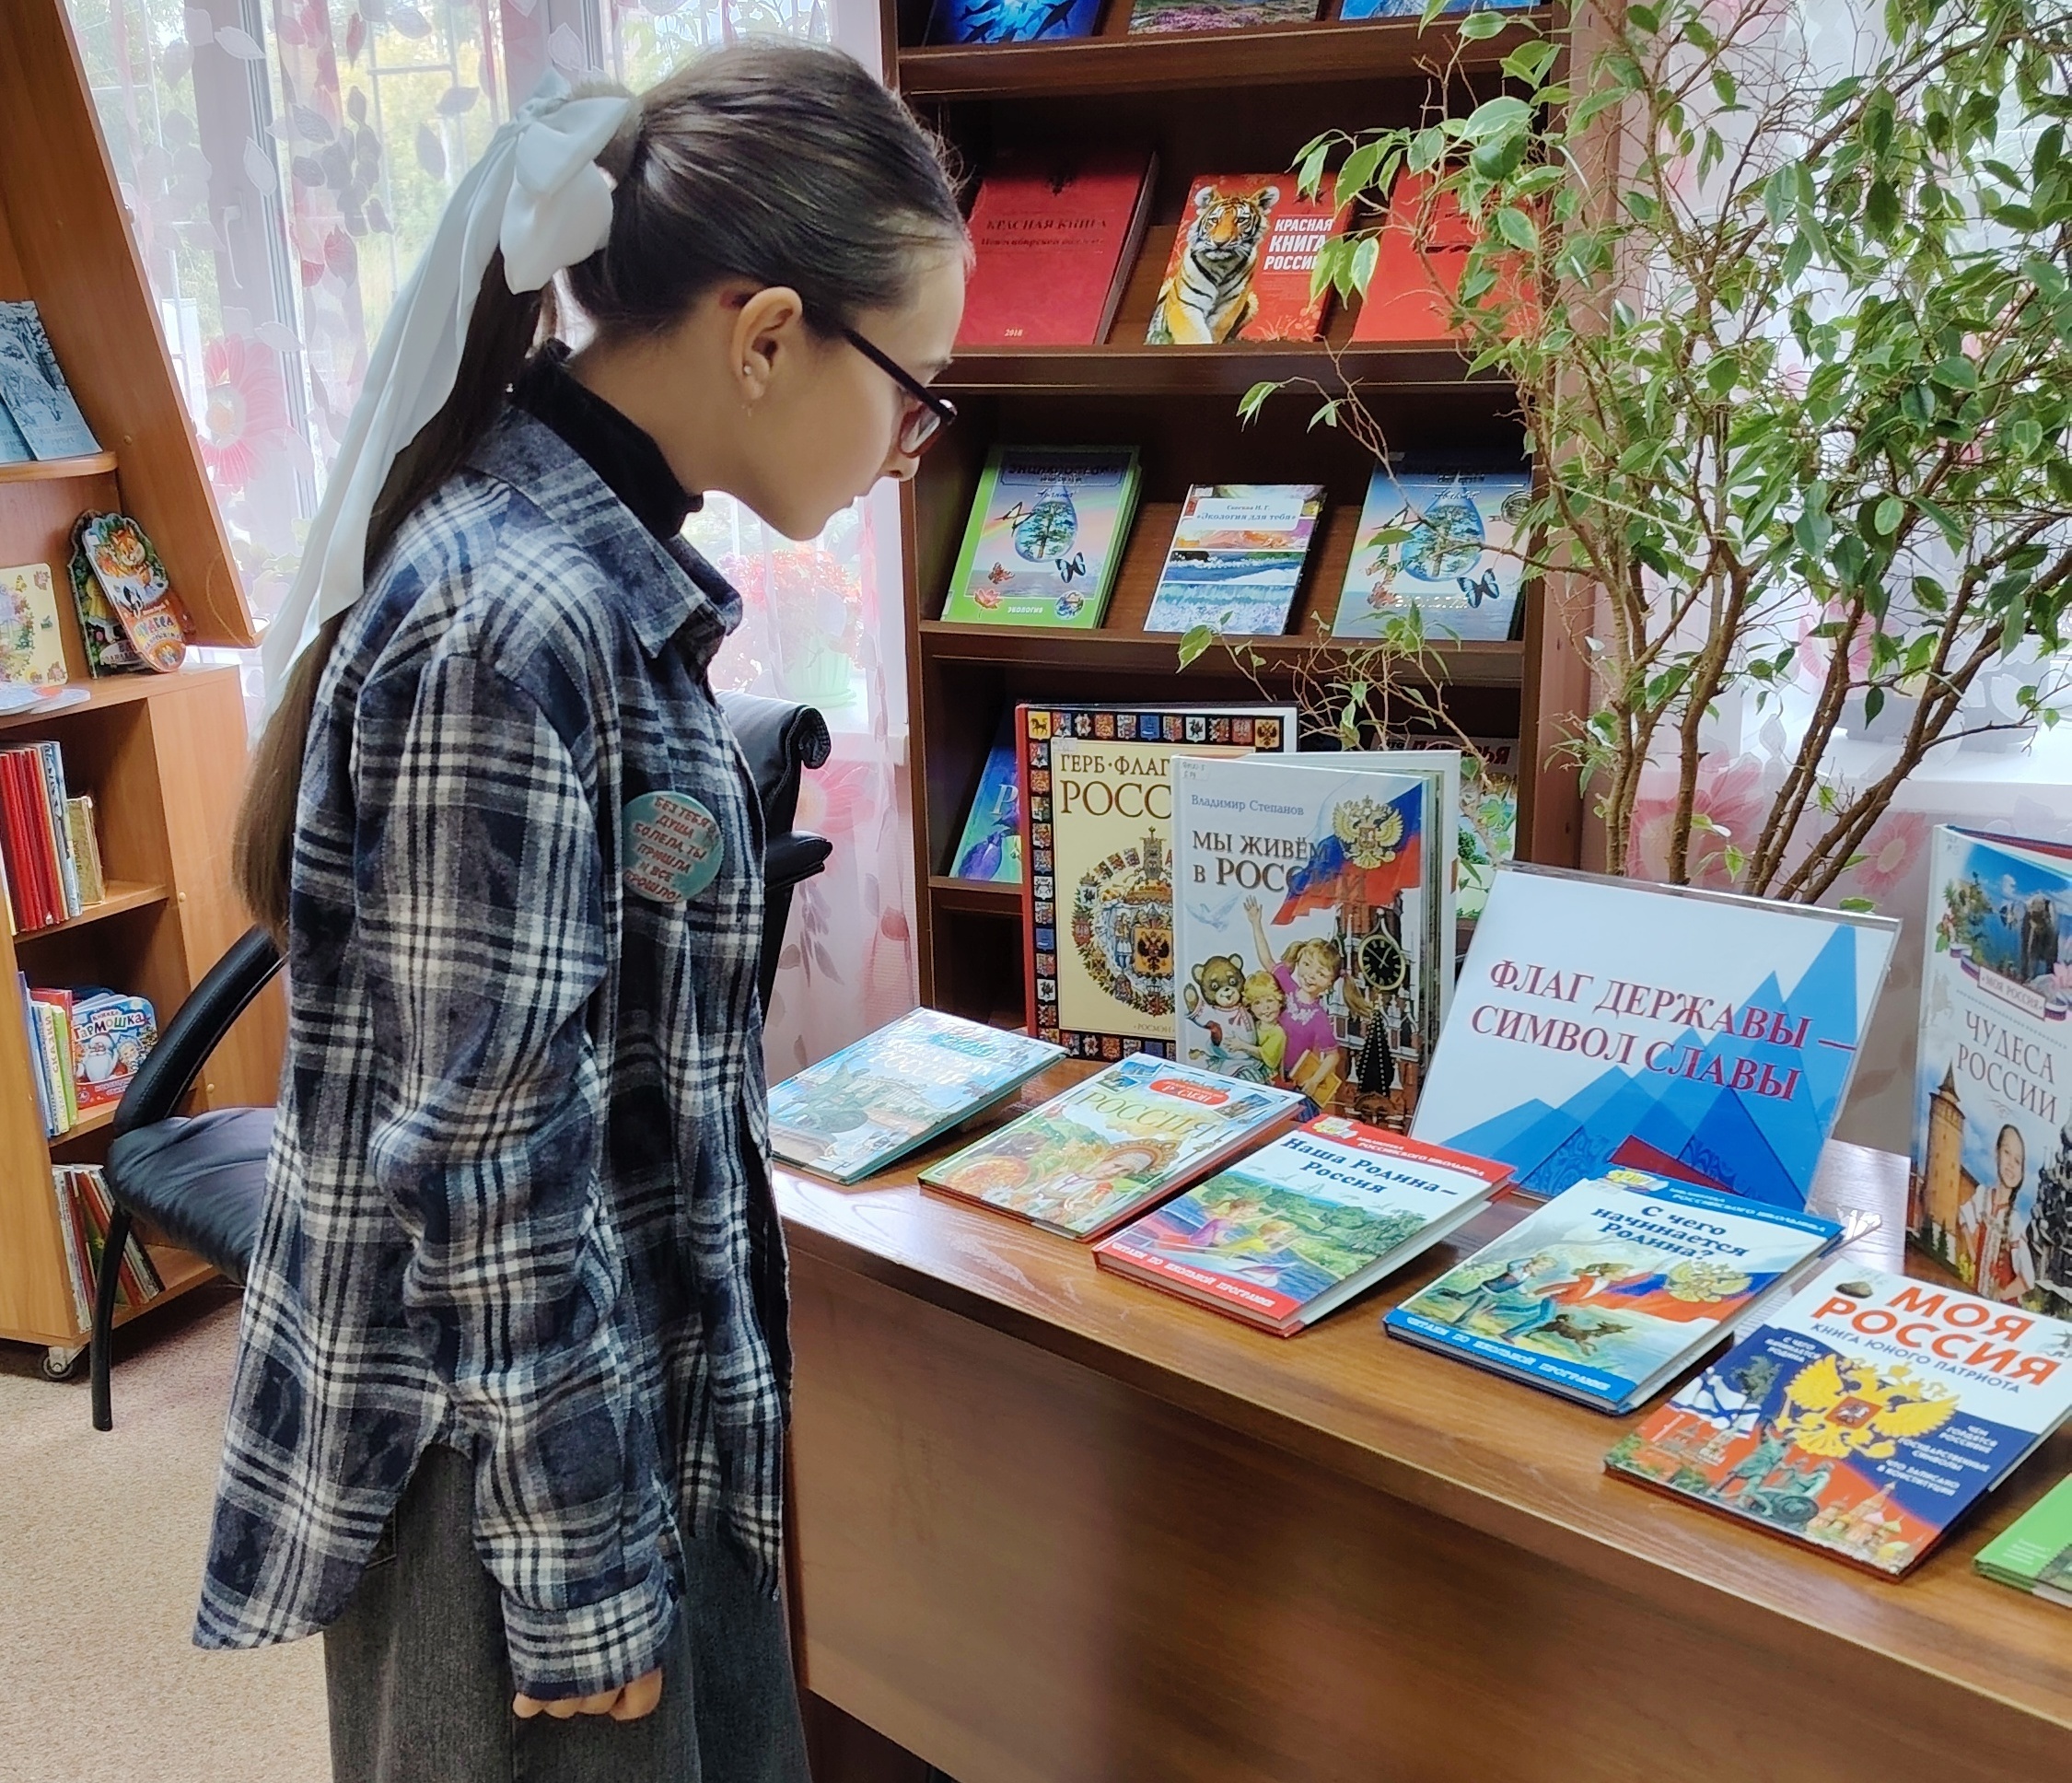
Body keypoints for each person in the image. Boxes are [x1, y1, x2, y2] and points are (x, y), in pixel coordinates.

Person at [196, 42, 966, 1783]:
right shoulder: (511, 620)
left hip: (626, 1409)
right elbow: (487, 1161)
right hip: (511, 1472)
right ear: (766, 337)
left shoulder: (597, 575)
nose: (909, 449)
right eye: (911, 393)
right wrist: (576, 1579)